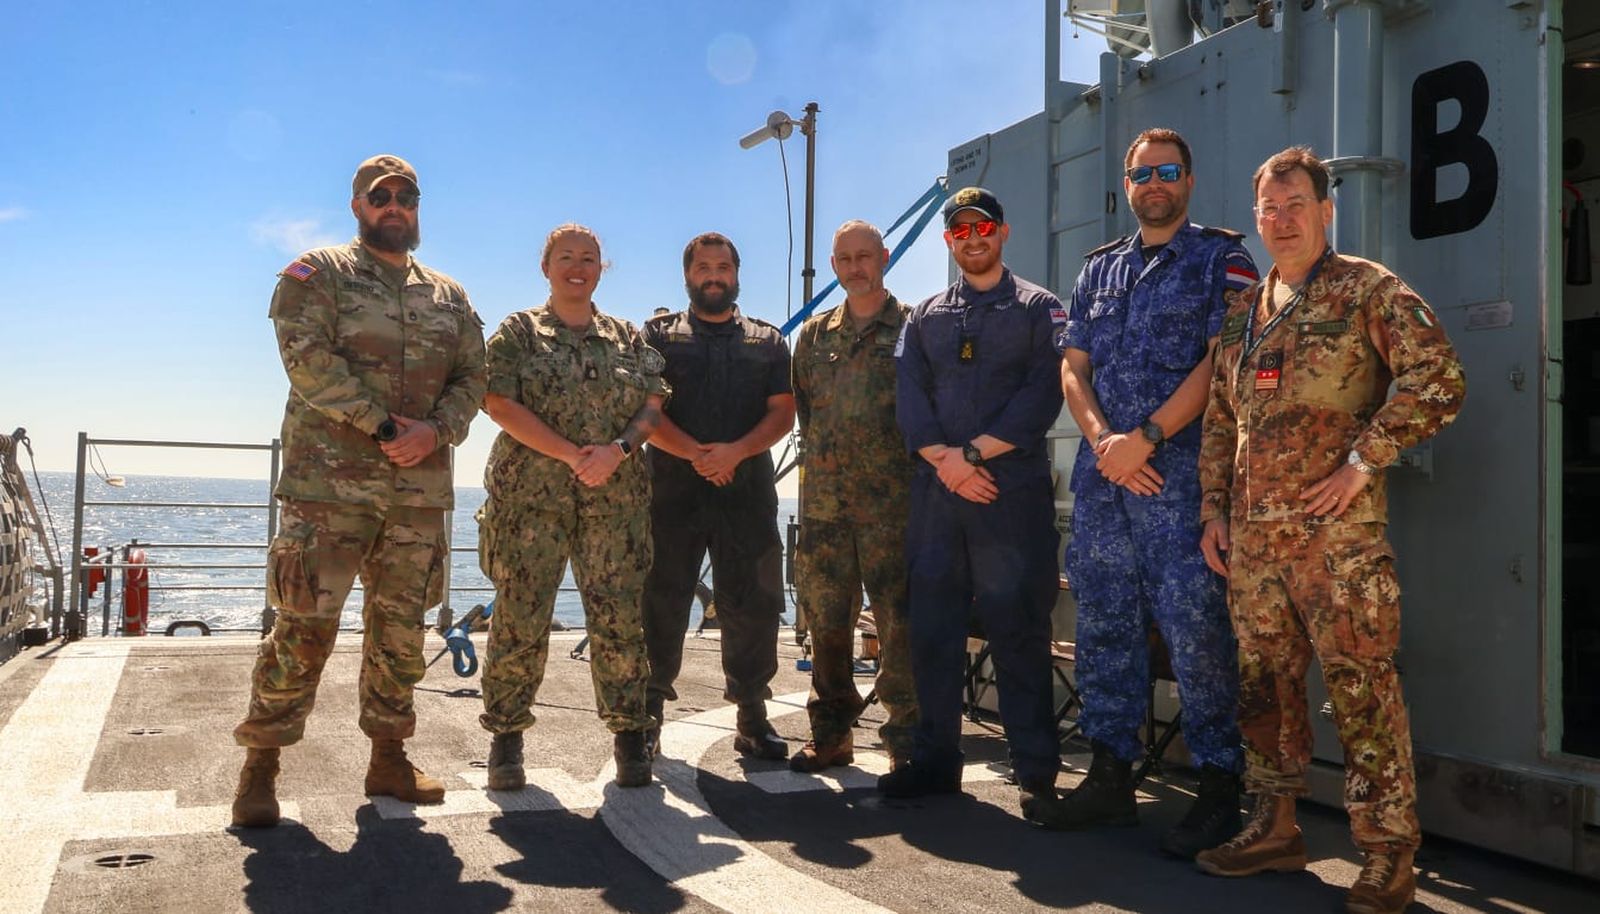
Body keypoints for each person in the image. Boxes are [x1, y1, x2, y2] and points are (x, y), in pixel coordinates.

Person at [1192, 147, 1466, 914]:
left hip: (1336, 544)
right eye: (1269, 210)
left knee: (1362, 692)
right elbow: (1220, 421)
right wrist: (1214, 511)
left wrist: (1363, 461)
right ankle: (1275, 828)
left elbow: (1439, 378)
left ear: (1325, 209)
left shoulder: (1365, 290)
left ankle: (1387, 856)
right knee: (1265, 693)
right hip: (1252, 547)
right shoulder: (1246, 314)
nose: (1281, 221)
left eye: (1295, 205)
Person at [231, 154, 487, 827]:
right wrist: (380, 426)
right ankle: (261, 767)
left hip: (417, 497)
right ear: (357, 205)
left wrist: (436, 432)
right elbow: (307, 361)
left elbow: (472, 380)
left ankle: (389, 759)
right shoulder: (319, 276)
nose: (395, 206)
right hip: (328, 491)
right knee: (303, 629)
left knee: (401, 634)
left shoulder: (450, 297)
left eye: (406, 196)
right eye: (382, 196)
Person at [1045, 128, 1255, 856]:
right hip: (1108, 485)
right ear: (1126, 184)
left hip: (1182, 484)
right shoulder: (1097, 270)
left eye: (1167, 172)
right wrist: (1106, 442)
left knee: (1199, 636)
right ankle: (1110, 777)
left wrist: (1149, 439)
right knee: (1103, 626)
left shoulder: (1220, 260)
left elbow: (1221, 362)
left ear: (1189, 182)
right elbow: (1074, 367)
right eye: (1141, 174)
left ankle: (1221, 787)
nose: (1154, 184)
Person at [881, 187, 1065, 823]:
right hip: (939, 497)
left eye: (982, 226)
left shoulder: (1040, 309)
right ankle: (935, 762)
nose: (972, 238)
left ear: (1003, 231)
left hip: (1009, 497)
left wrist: (973, 459)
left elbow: (1043, 396)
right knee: (932, 632)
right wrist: (947, 464)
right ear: (948, 241)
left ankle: (1037, 772)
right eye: (960, 231)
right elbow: (910, 398)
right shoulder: (925, 317)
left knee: (1019, 629)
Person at [476, 224, 668, 790]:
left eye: (589, 258)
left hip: (615, 505)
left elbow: (654, 403)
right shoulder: (517, 332)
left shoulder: (629, 337)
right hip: (530, 505)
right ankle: (506, 740)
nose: (577, 267)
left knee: (619, 621)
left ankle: (630, 736)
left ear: (601, 268)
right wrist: (571, 455)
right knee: (519, 617)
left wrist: (618, 450)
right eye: (566, 257)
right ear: (547, 266)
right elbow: (497, 401)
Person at [641, 232, 796, 760]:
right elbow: (645, 413)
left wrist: (733, 453)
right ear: (688, 276)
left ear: (736, 274)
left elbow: (782, 411)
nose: (714, 274)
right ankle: (648, 718)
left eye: (723, 266)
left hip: (746, 494)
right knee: (661, 602)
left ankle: (752, 717)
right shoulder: (657, 339)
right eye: (704, 266)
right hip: (671, 495)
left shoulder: (769, 341)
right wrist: (697, 455)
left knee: (753, 606)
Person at [788, 220, 918, 772]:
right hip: (825, 509)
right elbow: (806, 411)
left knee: (899, 623)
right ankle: (832, 733)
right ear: (835, 264)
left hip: (895, 507)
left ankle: (907, 741)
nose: (855, 267)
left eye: (865, 256)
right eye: (845, 259)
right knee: (827, 623)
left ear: (884, 257)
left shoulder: (916, 326)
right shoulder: (815, 337)